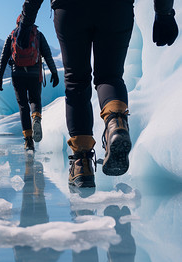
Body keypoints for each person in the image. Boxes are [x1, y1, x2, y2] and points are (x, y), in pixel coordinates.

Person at [18, 0, 178, 187]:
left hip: (70, 10)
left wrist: (26, 21)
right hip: (116, 8)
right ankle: (115, 122)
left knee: (76, 81)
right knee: (110, 76)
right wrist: (164, 12)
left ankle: (81, 163)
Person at [0, 15, 60, 151]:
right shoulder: (38, 34)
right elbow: (48, 54)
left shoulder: (12, 35)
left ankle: (28, 140)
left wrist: (0, 78)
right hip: (34, 73)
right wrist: (54, 73)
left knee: (23, 105)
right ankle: (36, 117)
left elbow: (4, 58)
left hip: (17, 74)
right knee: (35, 100)